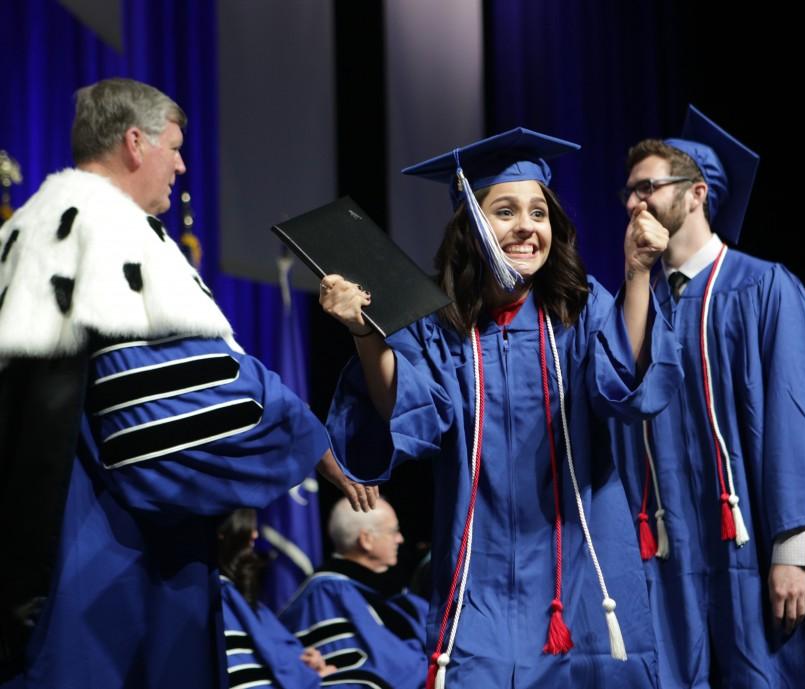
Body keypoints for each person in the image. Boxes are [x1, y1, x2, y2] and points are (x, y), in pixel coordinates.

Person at [0, 78, 361, 689]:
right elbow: (168, 410)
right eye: (173, 146)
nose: (182, 163)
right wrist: (305, 433)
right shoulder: (111, 236)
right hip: (105, 565)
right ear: (134, 143)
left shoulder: (24, 234)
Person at [320, 128, 682, 687]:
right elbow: (408, 406)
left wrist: (636, 274)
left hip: (580, 570)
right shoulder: (443, 330)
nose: (526, 228)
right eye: (505, 211)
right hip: (479, 573)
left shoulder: (579, 309)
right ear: (471, 224)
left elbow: (623, 384)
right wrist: (362, 332)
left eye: (538, 213)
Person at [611, 106, 805, 688]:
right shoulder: (635, 306)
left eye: (648, 188)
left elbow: (800, 421)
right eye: (629, 194)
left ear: (696, 194)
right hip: (666, 560)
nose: (635, 204)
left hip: (754, 554)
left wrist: (793, 549)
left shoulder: (763, 287)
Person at [281, 497, 427, 688]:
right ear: (366, 540)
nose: (400, 539)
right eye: (393, 531)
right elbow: (382, 666)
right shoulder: (327, 595)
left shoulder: (397, 596)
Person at [218, 509, 336, 689]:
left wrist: (305, 664)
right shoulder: (219, 602)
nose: (256, 534)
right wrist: (309, 679)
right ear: (222, 533)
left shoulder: (247, 603)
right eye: (248, 525)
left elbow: (281, 657)